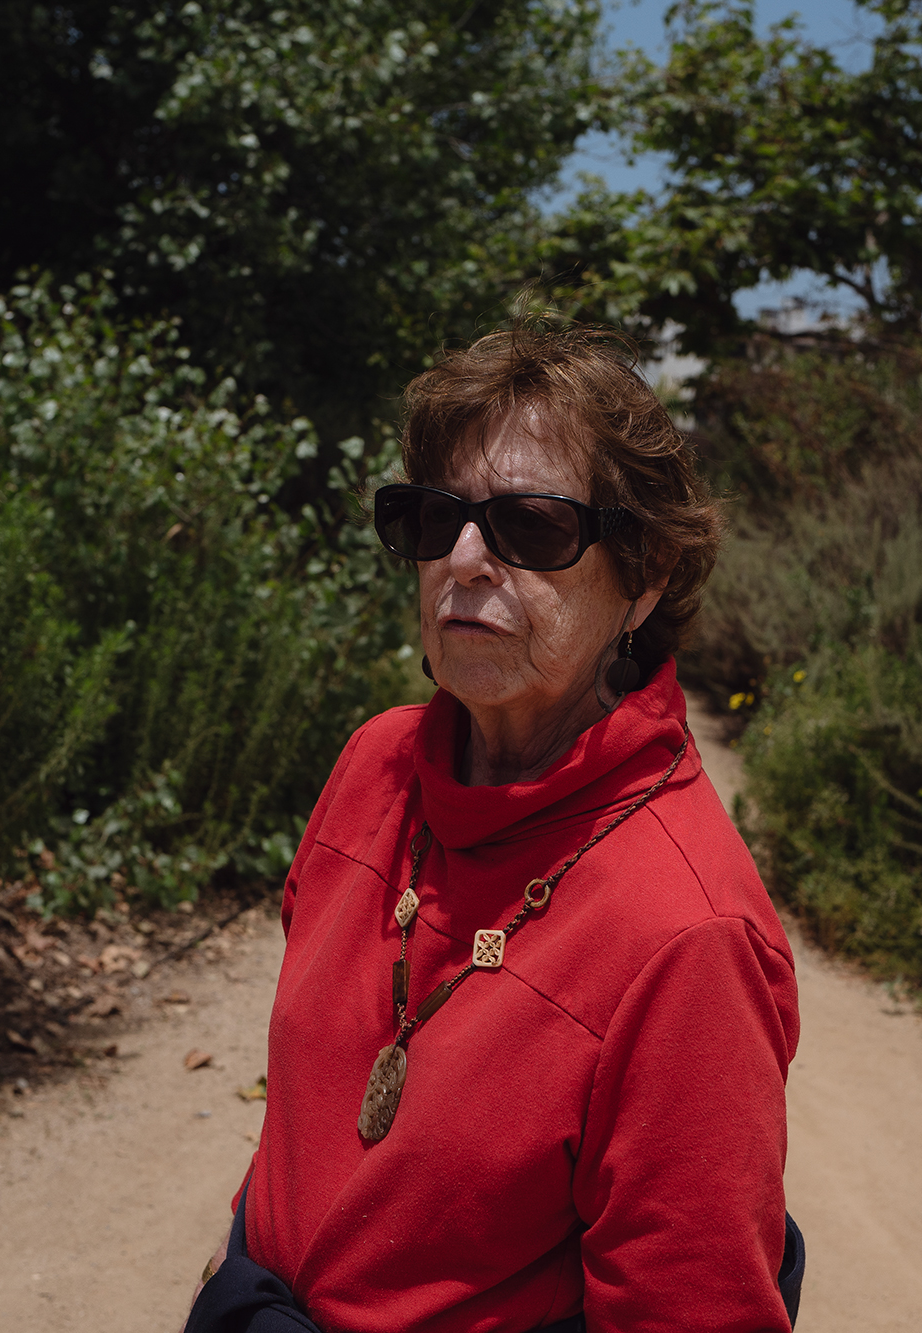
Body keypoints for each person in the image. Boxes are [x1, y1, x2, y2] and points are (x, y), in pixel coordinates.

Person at [184, 324, 803, 1333]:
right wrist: (243, 1233)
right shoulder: (374, 765)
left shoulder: (687, 935)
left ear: (642, 574)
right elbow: (317, 1088)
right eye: (433, 518)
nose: (464, 559)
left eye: (530, 526)